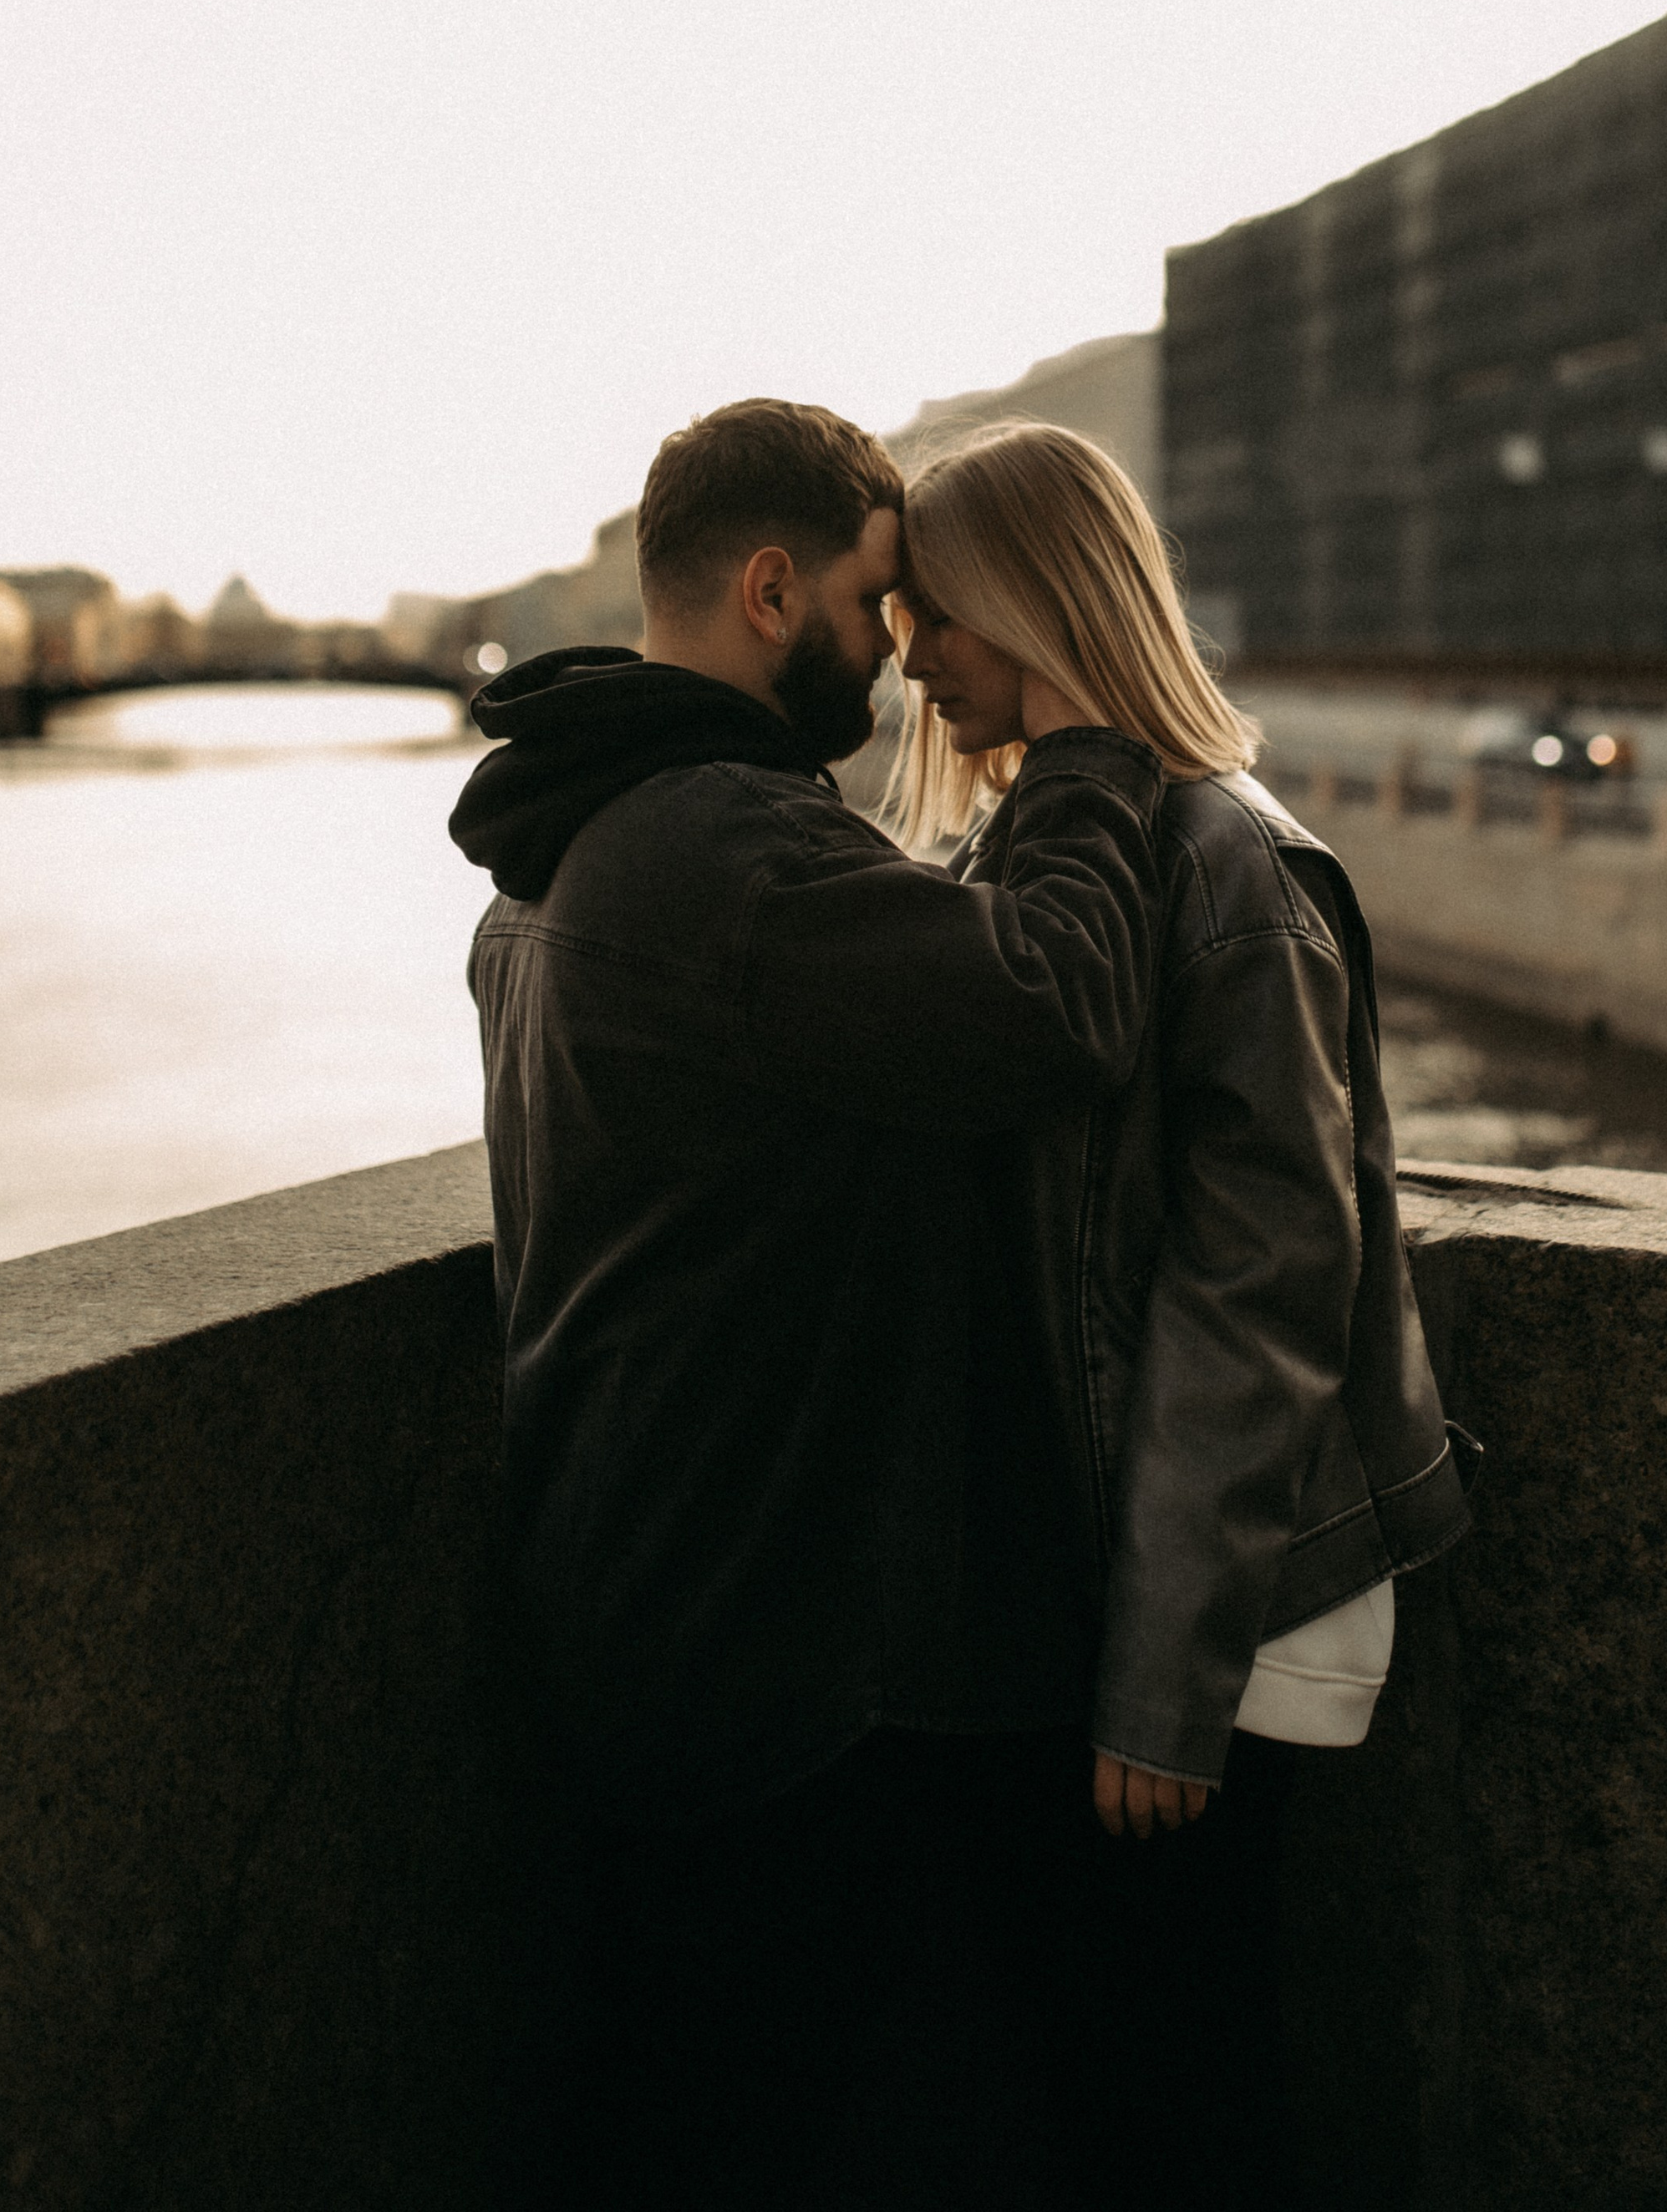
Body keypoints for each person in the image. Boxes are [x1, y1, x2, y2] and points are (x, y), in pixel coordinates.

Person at [449, 398, 1168, 2209]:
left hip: (637, 1597)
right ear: (774, 588)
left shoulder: (573, 831)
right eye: (878, 596)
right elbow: (1057, 998)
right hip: (782, 1664)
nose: (905, 649)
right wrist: (1084, 743)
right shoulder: (722, 847)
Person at [889, 421, 1476, 2203]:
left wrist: (1159, 1679)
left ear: (1031, 596)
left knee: (1171, 2081)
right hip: (1136, 1568)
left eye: (933, 613)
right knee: (1103, 2065)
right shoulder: (1050, 838)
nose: (908, 655)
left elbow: (1260, 1289)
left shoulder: (1227, 863)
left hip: (1232, 1594)